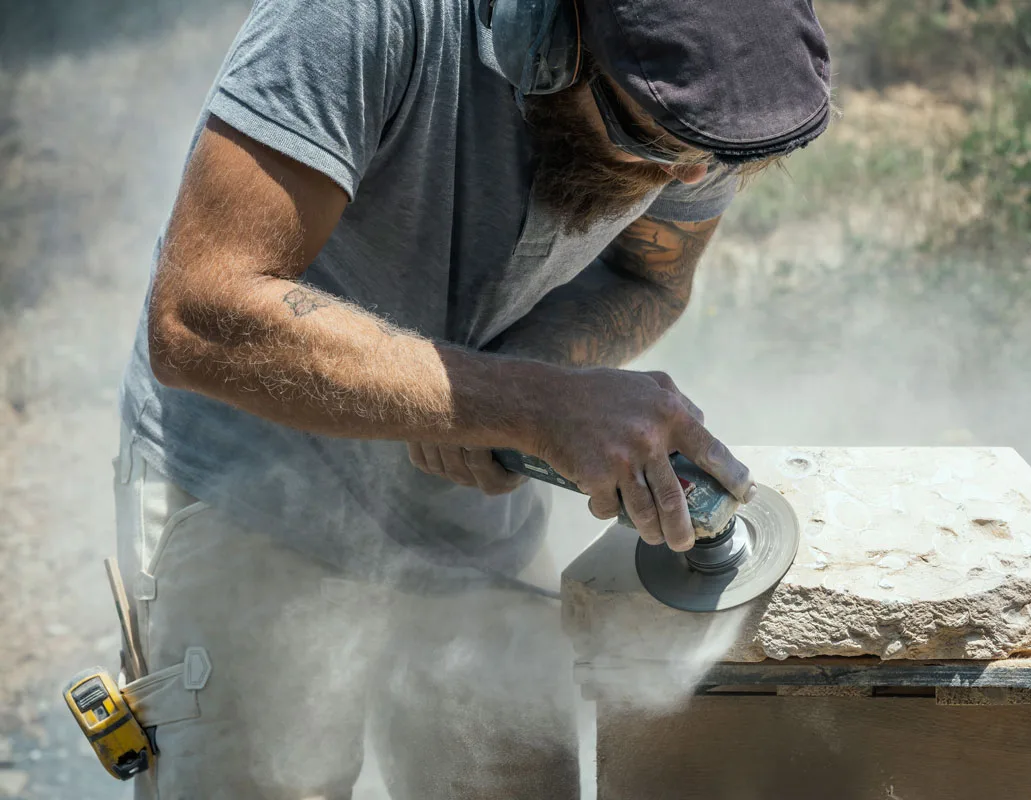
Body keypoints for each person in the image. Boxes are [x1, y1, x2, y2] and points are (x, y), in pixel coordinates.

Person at [111, 0, 831, 796]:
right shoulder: (357, 21)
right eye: (654, 141)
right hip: (251, 489)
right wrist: (527, 403)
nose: (688, 179)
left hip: (471, 512)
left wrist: (527, 385)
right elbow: (198, 313)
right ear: (549, 40)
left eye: (717, 158)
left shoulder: (692, 108)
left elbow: (648, 277)